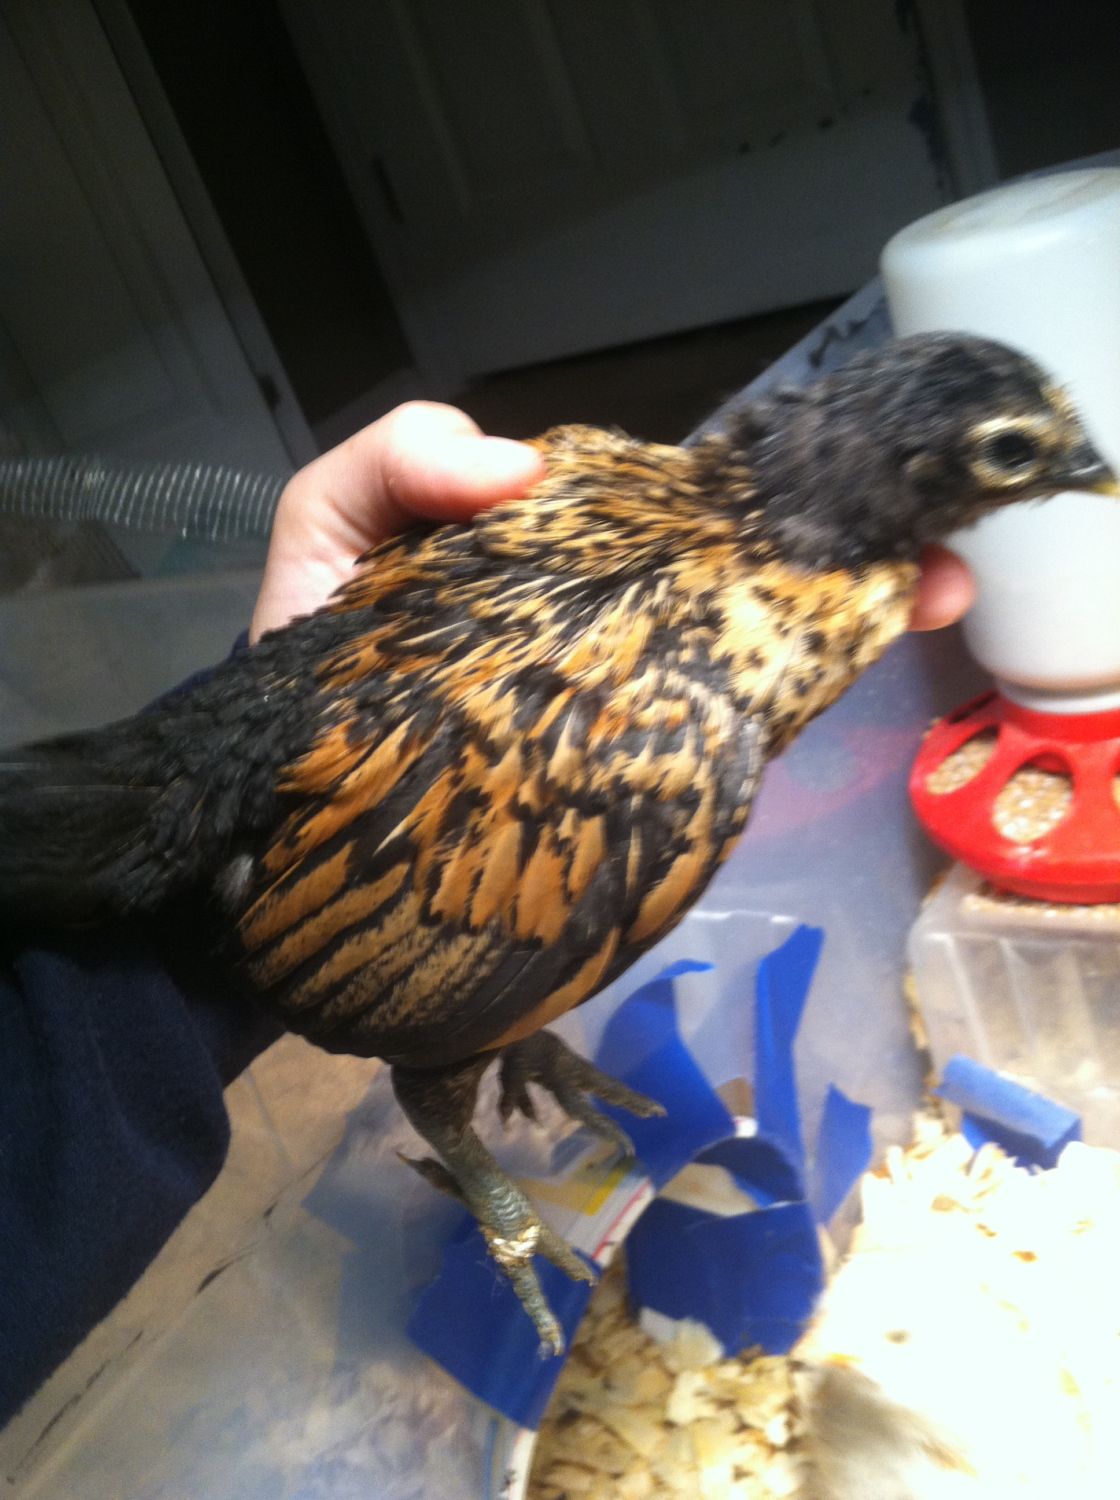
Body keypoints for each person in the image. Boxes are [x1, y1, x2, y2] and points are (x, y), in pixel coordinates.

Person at [0, 402, 972, 1427]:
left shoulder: (604, 476)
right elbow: (413, 998)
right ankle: (482, 1159)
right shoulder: (676, 736)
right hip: (313, 838)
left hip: (302, 786)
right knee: (520, 949)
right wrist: (495, 1177)